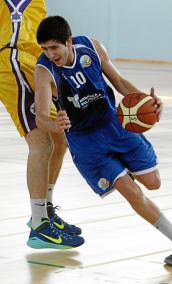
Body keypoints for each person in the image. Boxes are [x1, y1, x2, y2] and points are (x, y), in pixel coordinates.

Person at [34, 15, 172, 265]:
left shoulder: (92, 47)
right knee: (130, 191)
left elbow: (119, 82)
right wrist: (54, 123)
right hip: (86, 141)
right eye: (45, 49)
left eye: (54, 47)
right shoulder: (44, 71)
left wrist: (147, 101)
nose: (50, 54)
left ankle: (121, 170)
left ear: (69, 41)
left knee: (153, 183)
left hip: (114, 125)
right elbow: (42, 116)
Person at [0, 1, 84, 249]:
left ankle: (45, 210)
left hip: (33, 62)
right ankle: (38, 225)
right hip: (12, 59)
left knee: (61, 137)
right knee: (41, 142)